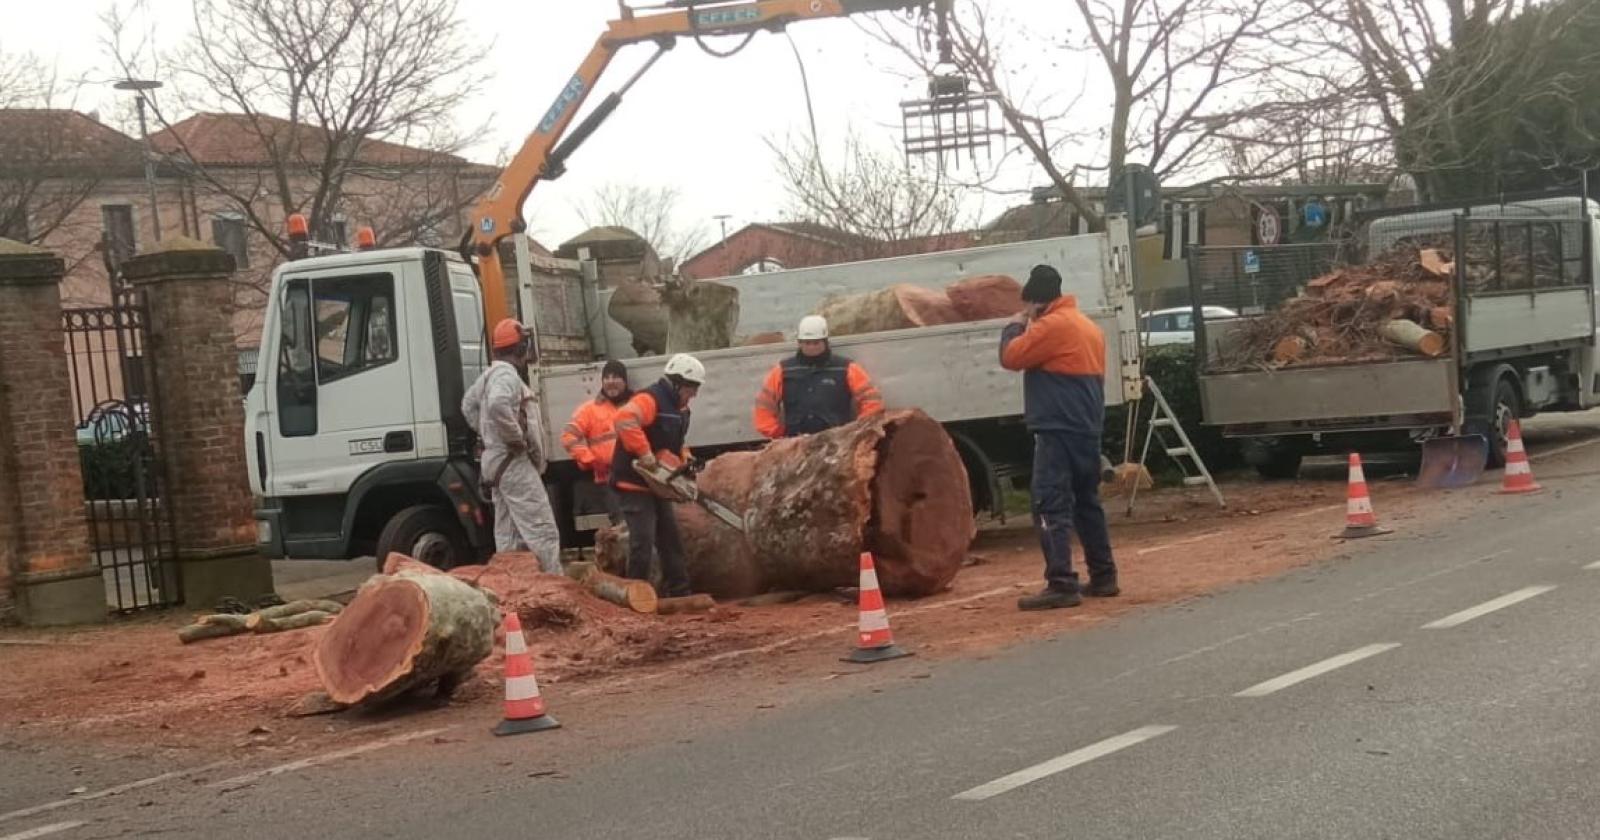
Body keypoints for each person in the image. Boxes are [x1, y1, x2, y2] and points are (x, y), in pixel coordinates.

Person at [999, 264, 1119, 610]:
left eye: (1029, 305)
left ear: (1037, 301)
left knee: (1050, 503)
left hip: (1057, 427)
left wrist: (1015, 325)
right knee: (1086, 502)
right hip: (1086, 426)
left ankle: (1061, 582)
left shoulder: (1052, 326)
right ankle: (1104, 575)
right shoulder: (1086, 325)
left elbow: (1011, 357)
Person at [462, 318, 562, 573]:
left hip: (496, 462)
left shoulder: (489, 375)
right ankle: (554, 586)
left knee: (509, 534)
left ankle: (510, 583)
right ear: (520, 348)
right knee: (542, 530)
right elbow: (497, 405)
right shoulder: (506, 375)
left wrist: (487, 433)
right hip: (512, 461)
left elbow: (468, 406)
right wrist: (515, 438)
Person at [610, 353, 705, 598]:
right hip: (633, 482)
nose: (693, 394)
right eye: (690, 389)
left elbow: (675, 443)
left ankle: (680, 590)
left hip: (658, 484)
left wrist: (685, 458)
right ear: (676, 383)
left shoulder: (681, 410)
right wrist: (644, 452)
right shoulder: (650, 399)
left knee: (670, 539)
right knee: (642, 541)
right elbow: (624, 419)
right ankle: (636, 594)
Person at [753, 315, 884, 439]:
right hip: (796, 444)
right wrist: (778, 434)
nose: (812, 347)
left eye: (816, 343)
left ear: (825, 341)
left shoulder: (847, 368)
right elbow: (764, 406)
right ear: (799, 343)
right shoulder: (783, 370)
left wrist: (857, 431)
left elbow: (872, 400)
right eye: (807, 343)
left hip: (837, 443)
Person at [560, 359, 631, 524]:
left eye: (616, 377)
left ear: (625, 381)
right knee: (623, 526)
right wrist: (590, 460)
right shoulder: (589, 410)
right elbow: (568, 437)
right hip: (610, 480)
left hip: (637, 477)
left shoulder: (636, 405)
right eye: (607, 377)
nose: (611, 381)